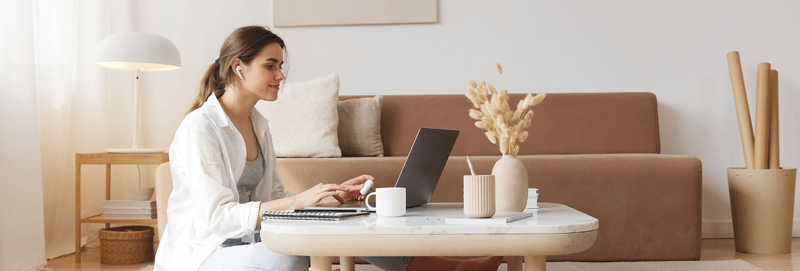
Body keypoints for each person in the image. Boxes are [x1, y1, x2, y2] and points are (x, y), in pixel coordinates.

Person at [154, 25, 503, 271]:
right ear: (238, 67)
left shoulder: (259, 124)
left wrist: (325, 198)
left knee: (348, 225)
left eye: (281, 66)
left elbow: (273, 196)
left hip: (250, 240)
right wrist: (298, 201)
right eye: (270, 65)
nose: (281, 75)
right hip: (204, 256)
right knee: (292, 258)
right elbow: (218, 218)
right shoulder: (200, 127)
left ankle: (451, 268)